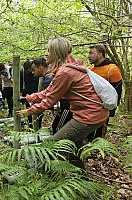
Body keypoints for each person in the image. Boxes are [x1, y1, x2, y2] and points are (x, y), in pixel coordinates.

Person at [17, 37, 109, 168]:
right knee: (73, 144)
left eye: (49, 50)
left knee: (56, 144)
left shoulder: (65, 72)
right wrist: (28, 98)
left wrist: (28, 111)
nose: (46, 54)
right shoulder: (65, 69)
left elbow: (49, 100)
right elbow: (48, 92)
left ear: (56, 52)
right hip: (92, 113)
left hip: (89, 116)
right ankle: (80, 175)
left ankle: (38, 172)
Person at [87, 44, 123, 140]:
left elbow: (117, 90)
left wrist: (112, 110)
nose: (88, 55)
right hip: (90, 107)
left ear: (100, 54)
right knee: (88, 132)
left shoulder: (112, 69)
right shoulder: (90, 69)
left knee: (99, 133)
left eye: (91, 53)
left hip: (104, 108)